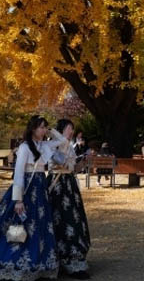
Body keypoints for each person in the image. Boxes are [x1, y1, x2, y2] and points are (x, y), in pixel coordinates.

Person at [0, 115, 58, 280]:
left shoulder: (44, 145)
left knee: (39, 227)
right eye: (41, 127)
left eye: (45, 127)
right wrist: (18, 200)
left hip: (40, 190)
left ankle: (36, 264)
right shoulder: (25, 147)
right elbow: (18, 174)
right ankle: (13, 263)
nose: (44, 130)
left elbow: (62, 142)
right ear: (33, 129)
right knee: (19, 225)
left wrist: (51, 130)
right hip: (27, 189)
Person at [46, 119, 91, 279]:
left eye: (72, 129)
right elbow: (60, 162)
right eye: (69, 128)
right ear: (61, 129)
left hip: (70, 186)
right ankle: (56, 260)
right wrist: (69, 154)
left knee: (74, 219)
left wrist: (83, 162)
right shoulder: (52, 144)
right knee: (58, 219)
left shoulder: (70, 145)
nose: (71, 131)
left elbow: (73, 169)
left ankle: (73, 260)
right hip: (57, 186)